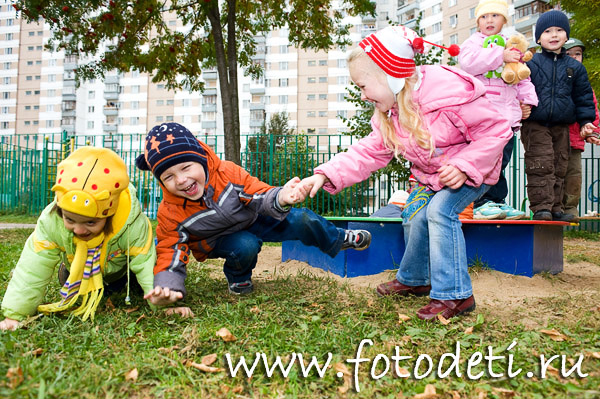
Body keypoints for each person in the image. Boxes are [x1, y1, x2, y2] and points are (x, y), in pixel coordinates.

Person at [296, 26, 512, 321]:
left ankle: (456, 295)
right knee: (414, 213)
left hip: (472, 171)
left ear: (391, 75)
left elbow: (496, 130)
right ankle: (415, 279)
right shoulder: (390, 113)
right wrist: (324, 174)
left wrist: (465, 166)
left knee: (439, 212)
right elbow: (368, 152)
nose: (362, 95)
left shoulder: (448, 96)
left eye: (363, 86)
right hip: (430, 175)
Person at [135, 123, 371, 308]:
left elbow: (256, 192)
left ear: (201, 159)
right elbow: (170, 248)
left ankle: (337, 239)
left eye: (186, 168)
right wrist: (168, 286)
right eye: (168, 176)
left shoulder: (227, 172)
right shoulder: (170, 211)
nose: (181, 180)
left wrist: (281, 197)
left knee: (302, 219)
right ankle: (238, 277)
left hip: (254, 218)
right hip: (218, 239)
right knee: (245, 245)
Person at [0, 147, 158, 331]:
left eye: (91, 222)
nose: (80, 229)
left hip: (120, 270)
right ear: (60, 210)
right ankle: (69, 273)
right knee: (85, 286)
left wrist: (162, 304)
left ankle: (120, 282)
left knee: (136, 277)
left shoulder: (131, 224)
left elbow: (146, 263)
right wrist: (15, 314)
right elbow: (33, 268)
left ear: (110, 214)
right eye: (70, 219)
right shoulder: (51, 222)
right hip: (77, 267)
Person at [458, 0, 538, 220]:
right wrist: (499, 57)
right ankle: (480, 202)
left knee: (501, 162)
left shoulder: (511, 44)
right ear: (477, 23)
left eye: (495, 16)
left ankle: (497, 202)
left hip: (507, 117)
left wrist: (527, 102)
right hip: (483, 116)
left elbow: (523, 76)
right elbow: (468, 63)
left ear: (504, 20)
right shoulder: (473, 42)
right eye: (484, 17)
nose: (489, 20)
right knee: (485, 161)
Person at [522, 10, 596, 221]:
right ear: (538, 38)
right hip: (535, 123)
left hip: (562, 125)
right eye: (547, 31)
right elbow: (520, 88)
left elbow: (583, 97)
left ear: (566, 36)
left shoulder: (574, 68)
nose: (553, 35)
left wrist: (586, 121)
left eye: (559, 30)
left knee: (559, 165)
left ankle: (556, 207)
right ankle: (541, 207)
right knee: (540, 164)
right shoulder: (532, 63)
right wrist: (519, 107)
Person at [561, 38, 600, 221]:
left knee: (573, 175)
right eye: (569, 54)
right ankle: (554, 207)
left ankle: (570, 208)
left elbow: (591, 107)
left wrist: (593, 130)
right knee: (553, 174)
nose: (574, 57)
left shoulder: (583, 84)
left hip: (575, 139)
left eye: (578, 53)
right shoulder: (556, 79)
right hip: (555, 138)